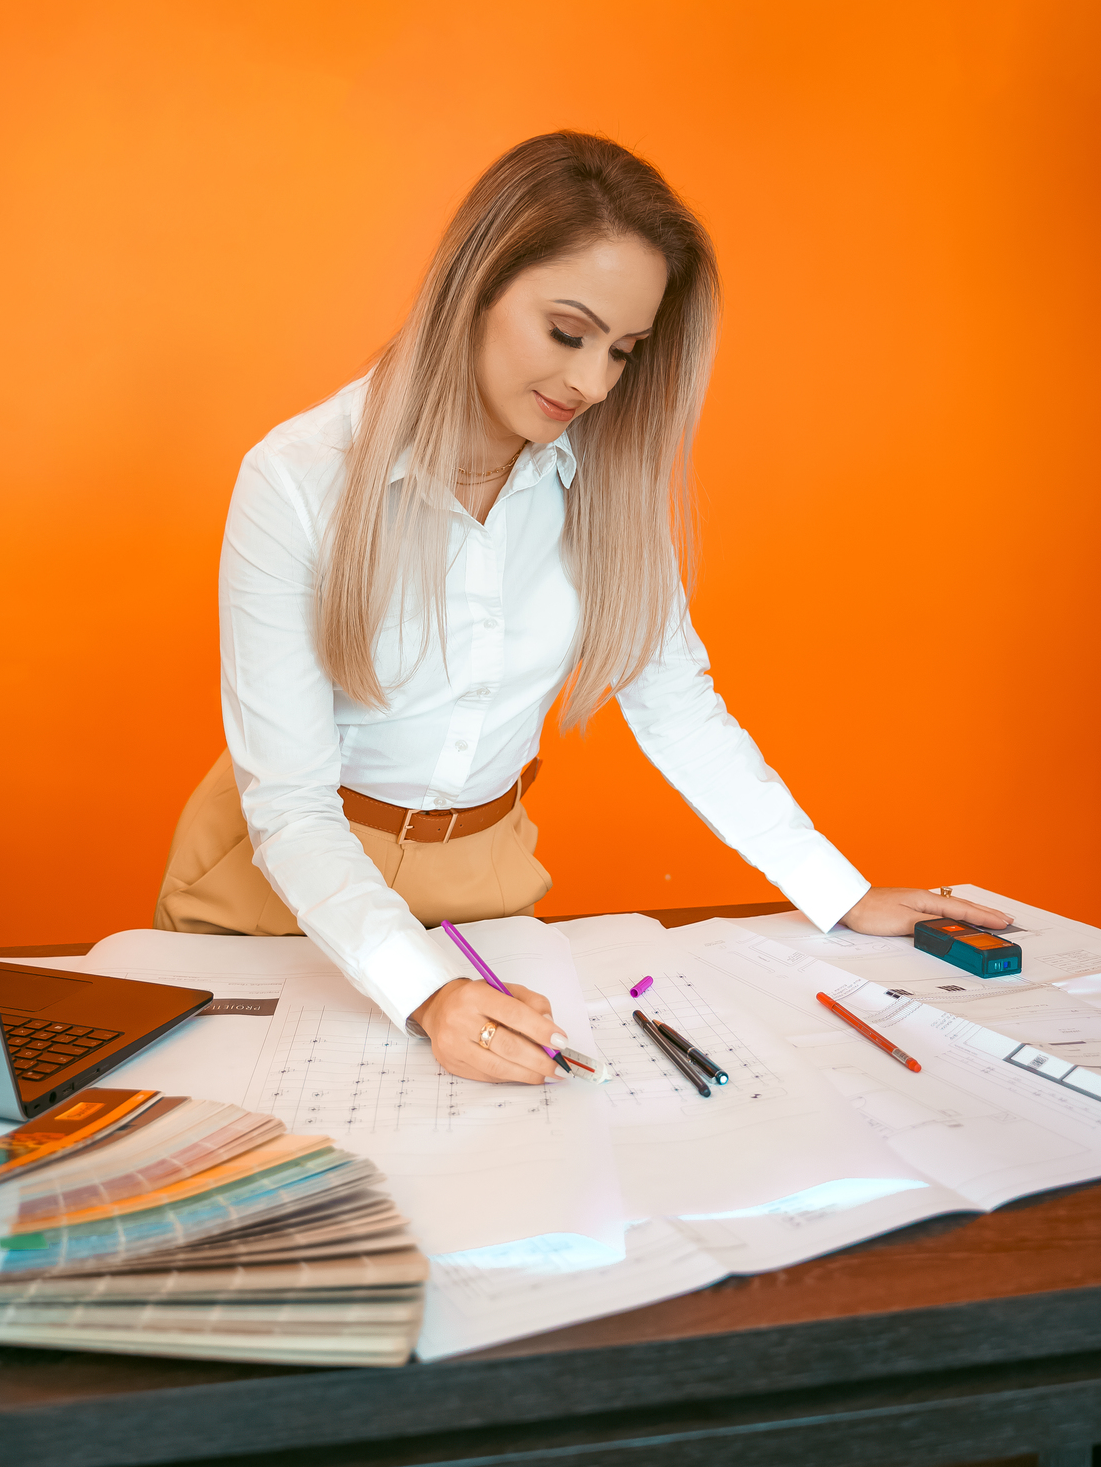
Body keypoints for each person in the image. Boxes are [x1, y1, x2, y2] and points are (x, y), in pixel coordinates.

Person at [155, 131, 1010, 1085]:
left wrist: (837, 892)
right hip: (278, 880)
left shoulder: (605, 485)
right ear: (475, 288)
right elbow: (292, 805)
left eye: (624, 351)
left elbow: (677, 704)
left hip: (484, 880)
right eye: (568, 333)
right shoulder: (297, 479)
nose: (592, 383)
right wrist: (425, 992)